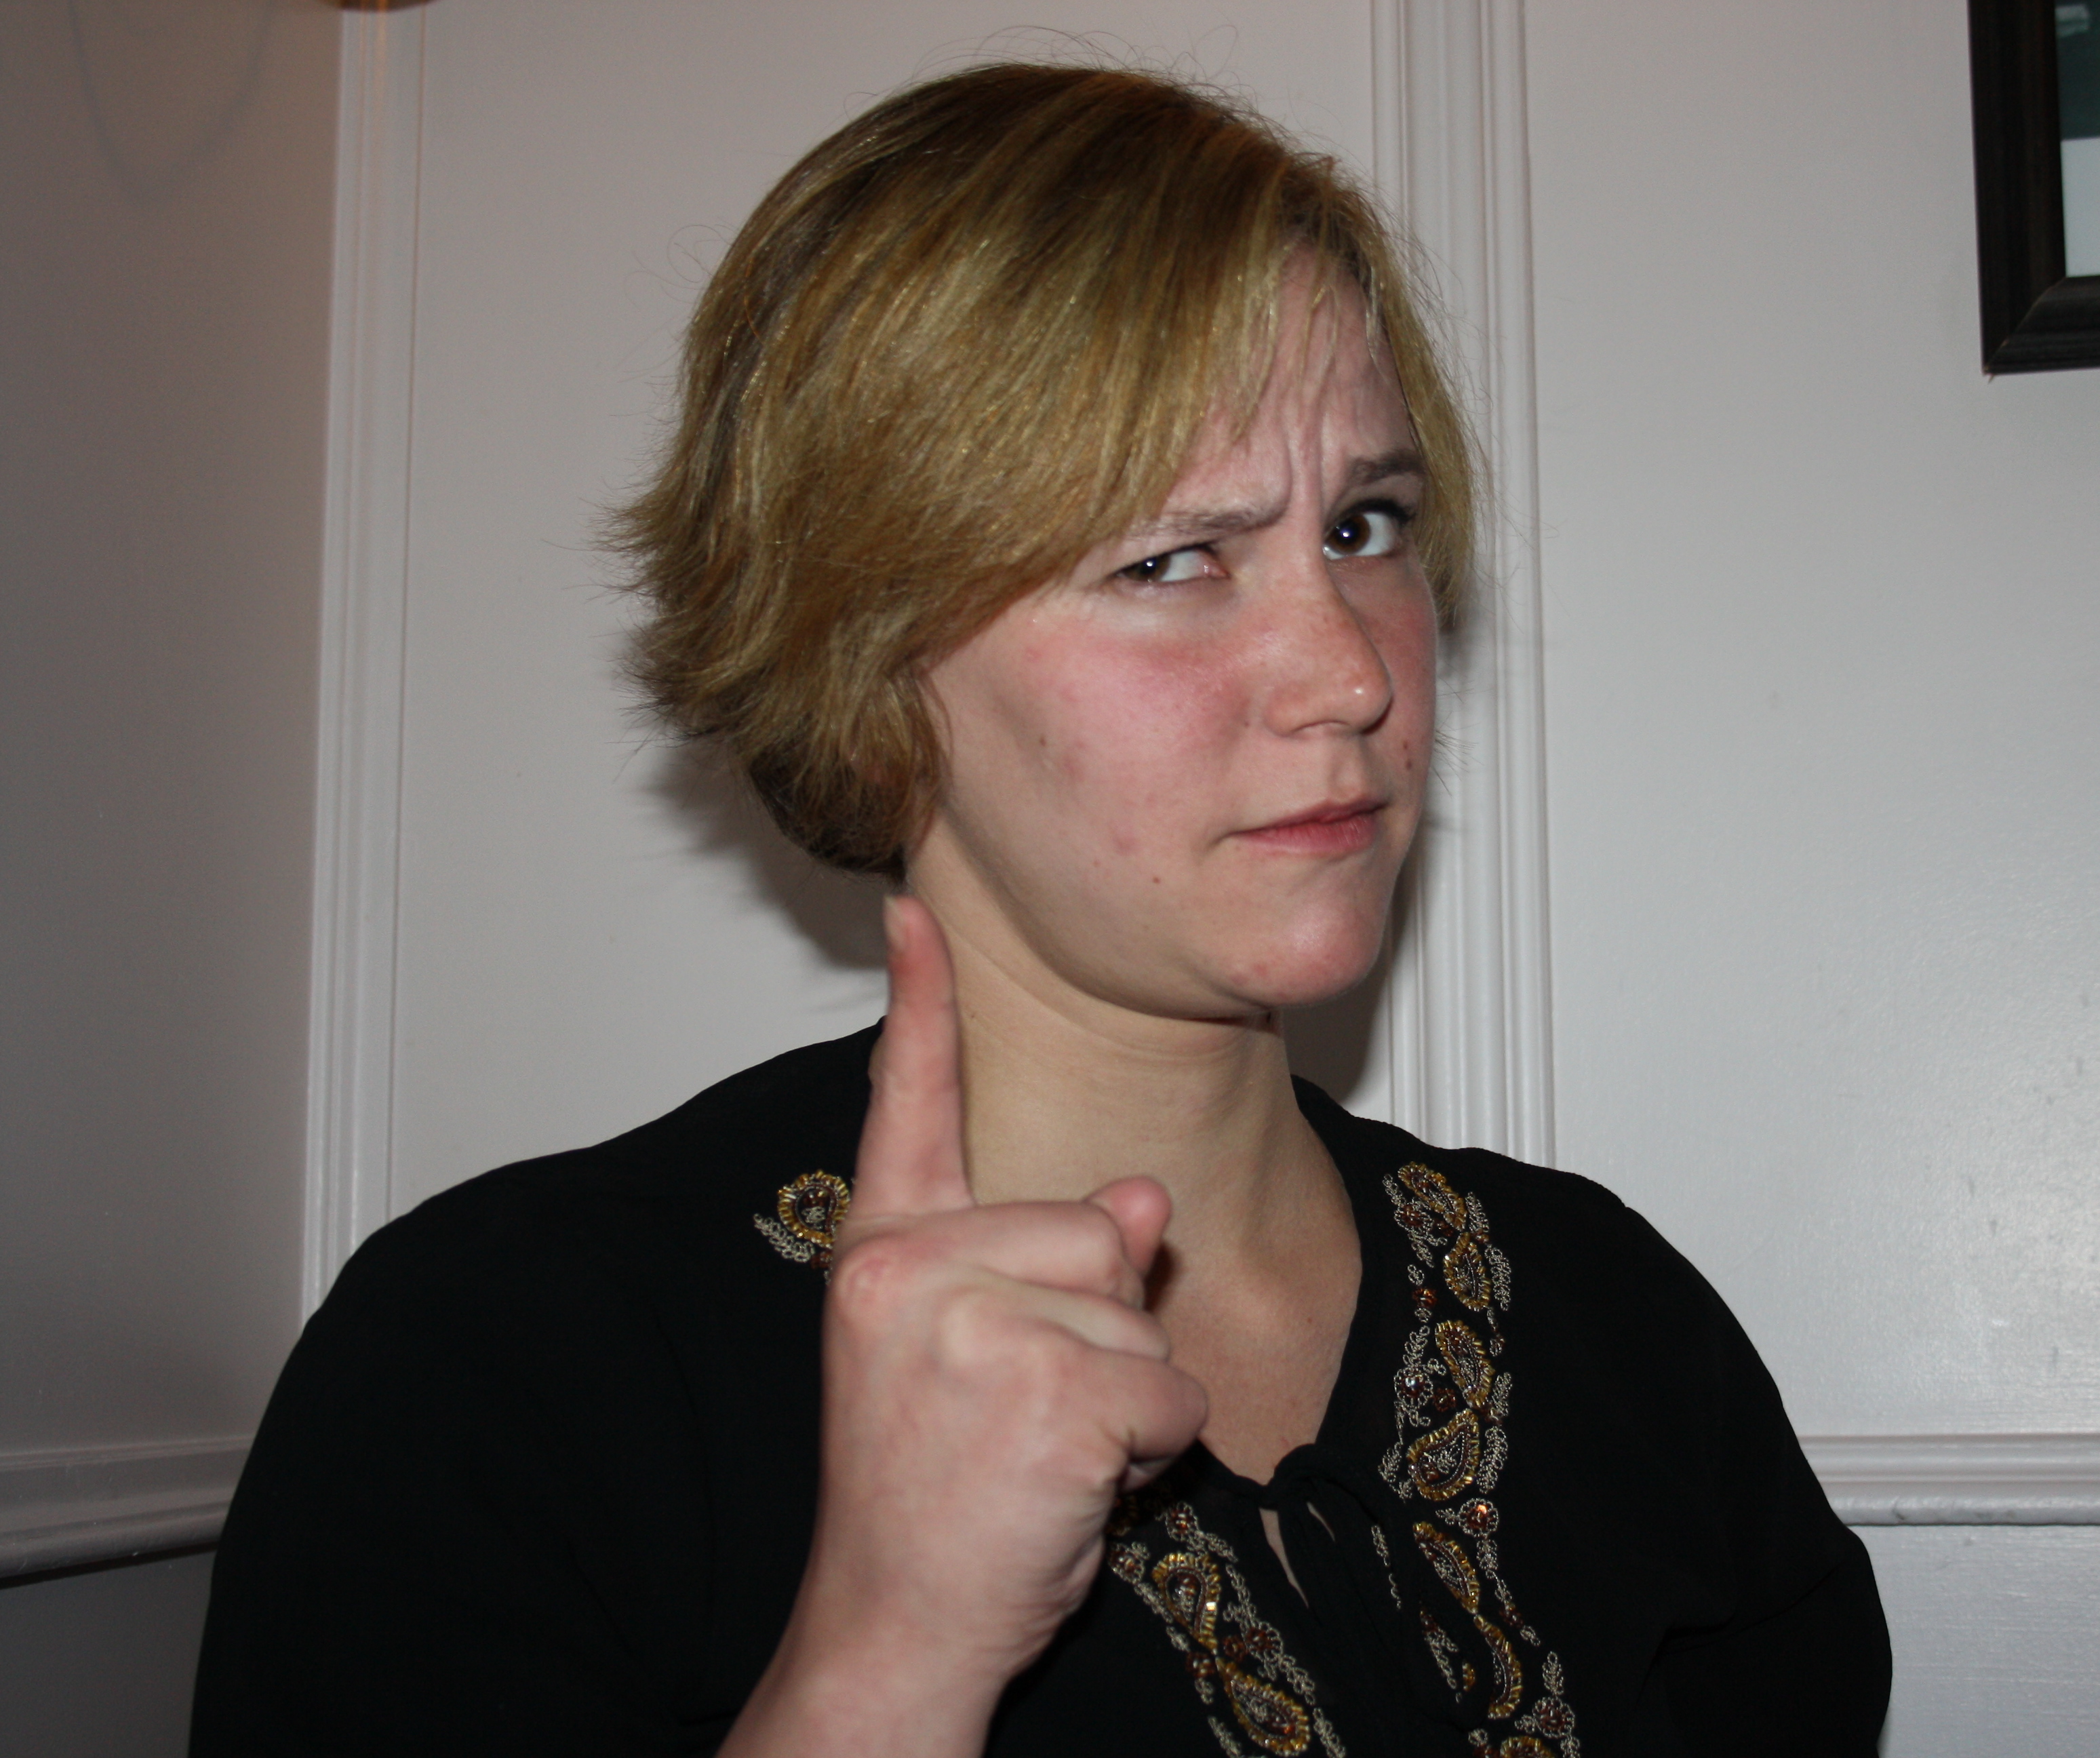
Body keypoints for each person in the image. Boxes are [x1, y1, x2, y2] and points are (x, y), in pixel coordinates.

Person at [191, 62, 1888, 1757]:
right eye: (1171, 560)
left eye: (1365, 524)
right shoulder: (519, 1367)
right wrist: (896, 1647)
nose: (1350, 673)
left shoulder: (1610, 1323)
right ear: (868, 662)